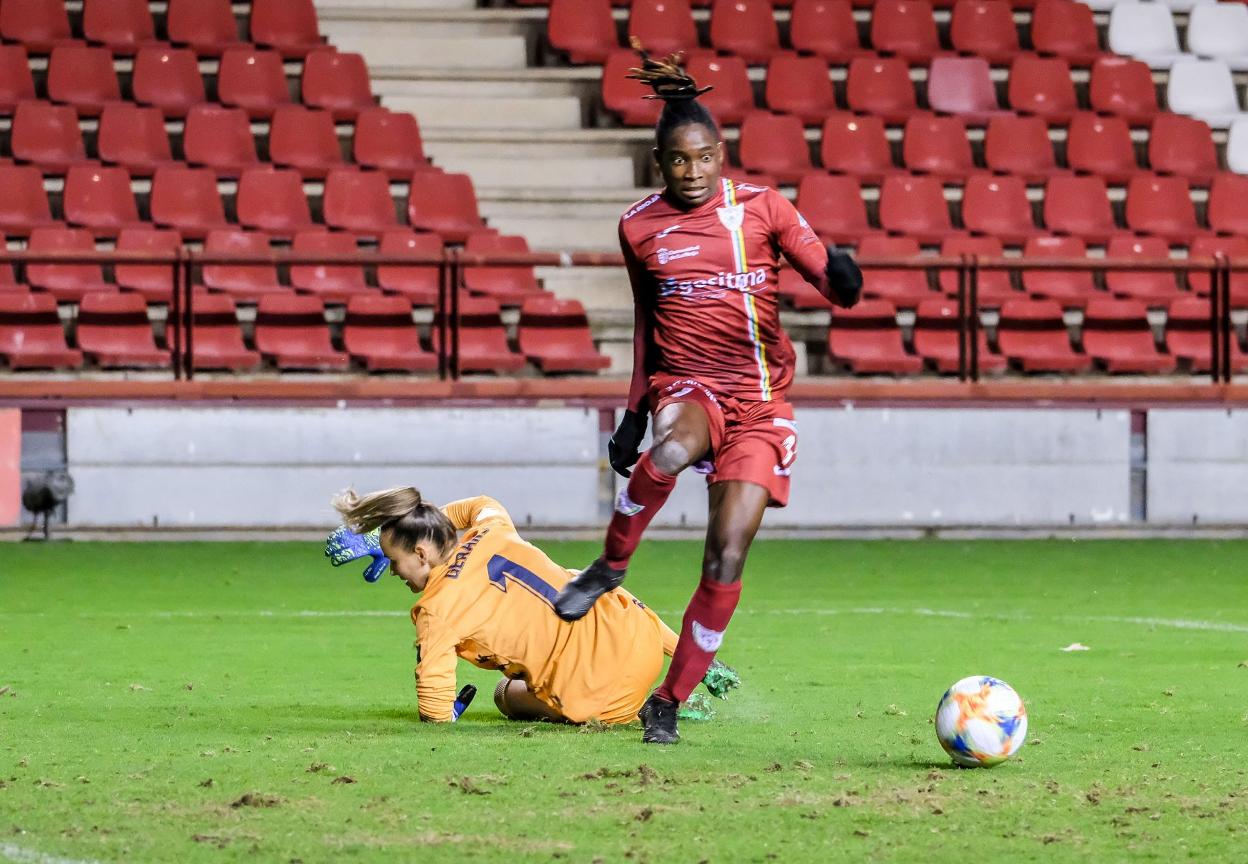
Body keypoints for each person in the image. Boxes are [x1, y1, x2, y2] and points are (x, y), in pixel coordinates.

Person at [552, 42, 863, 744]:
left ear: (721, 155)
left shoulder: (763, 208)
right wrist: (633, 411)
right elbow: (644, 322)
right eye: (677, 162)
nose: (691, 173)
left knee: (725, 555)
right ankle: (610, 564)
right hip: (689, 384)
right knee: (666, 452)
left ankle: (669, 699)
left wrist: (846, 279)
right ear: (658, 164)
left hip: (760, 403)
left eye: (704, 159)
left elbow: (833, 284)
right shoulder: (639, 225)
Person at [326, 486, 737, 725]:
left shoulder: (436, 610)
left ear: (420, 552)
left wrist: (443, 715)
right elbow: (478, 503)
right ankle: (692, 661)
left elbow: (434, 707)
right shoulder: (493, 526)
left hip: (608, 700)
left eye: (394, 560)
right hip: (640, 639)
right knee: (586, 587)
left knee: (506, 694)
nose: (395, 572)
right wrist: (397, 535)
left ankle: (643, 708)